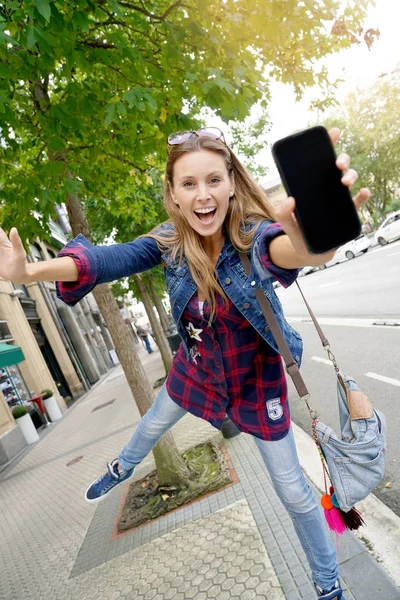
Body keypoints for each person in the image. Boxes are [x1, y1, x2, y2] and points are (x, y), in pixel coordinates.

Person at [0, 127, 369, 600]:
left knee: (295, 492)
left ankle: (327, 583)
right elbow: (103, 260)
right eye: (189, 184)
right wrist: (30, 272)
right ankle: (120, 467)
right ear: (173, 193)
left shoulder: (252, 234)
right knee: (153, 422)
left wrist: (312, 241)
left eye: (214, 179)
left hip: (257, 383)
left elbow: (286, 251)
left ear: (232, 182)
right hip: (196, 371)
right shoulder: (169, 243)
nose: (203, 195)